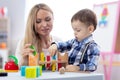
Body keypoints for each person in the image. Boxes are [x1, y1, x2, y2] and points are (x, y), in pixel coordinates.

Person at [15, 3, 61, 67]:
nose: (44, 25)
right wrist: (24, 60)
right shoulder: (24, 43)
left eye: (48, 19)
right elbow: (16, 71)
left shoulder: (59, 42)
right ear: (32, 23)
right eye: (38, 21)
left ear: (53, 18)